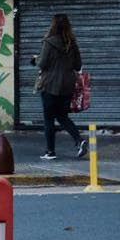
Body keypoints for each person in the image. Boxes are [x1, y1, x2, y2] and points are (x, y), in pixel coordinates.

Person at [32, 13, 87, 160]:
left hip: (50, 85)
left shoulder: (49, 42)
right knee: (62, 116)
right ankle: (79, 140)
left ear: (53, 25)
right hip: (67, 85)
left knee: (49, 119)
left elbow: (42, 63)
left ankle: (50, 152)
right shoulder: (72, 43)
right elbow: (78, 65)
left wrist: (34, 60)